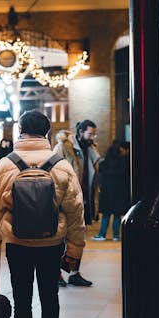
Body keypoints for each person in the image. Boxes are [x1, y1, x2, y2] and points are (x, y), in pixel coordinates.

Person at [0, 110, 86, 318]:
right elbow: (76, 210)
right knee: (49, 298)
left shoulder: (6, 165)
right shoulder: (60, 164)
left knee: (22, 301)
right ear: (47, 132)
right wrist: (75, 248)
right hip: (51, 243)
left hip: (17, 243)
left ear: (20, 130)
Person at [53, 119, 99, 286]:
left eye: (94, 134)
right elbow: (54, 172)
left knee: (78, 238)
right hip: (66, 200)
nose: (93, 137)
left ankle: (74, 273)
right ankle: (56, 273)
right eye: (90, 133)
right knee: (61, 237)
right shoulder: (63, 147)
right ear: (80, 132)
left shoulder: (91, 149)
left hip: (84, 199)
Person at [93, 139, 130, 241]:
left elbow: (100, 177)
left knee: (106, 215)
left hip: (107, 193)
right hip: (120, 192)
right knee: (117, 215)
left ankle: (102, 234)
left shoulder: (105, 163)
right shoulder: (124, 163)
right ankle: (116, 235)